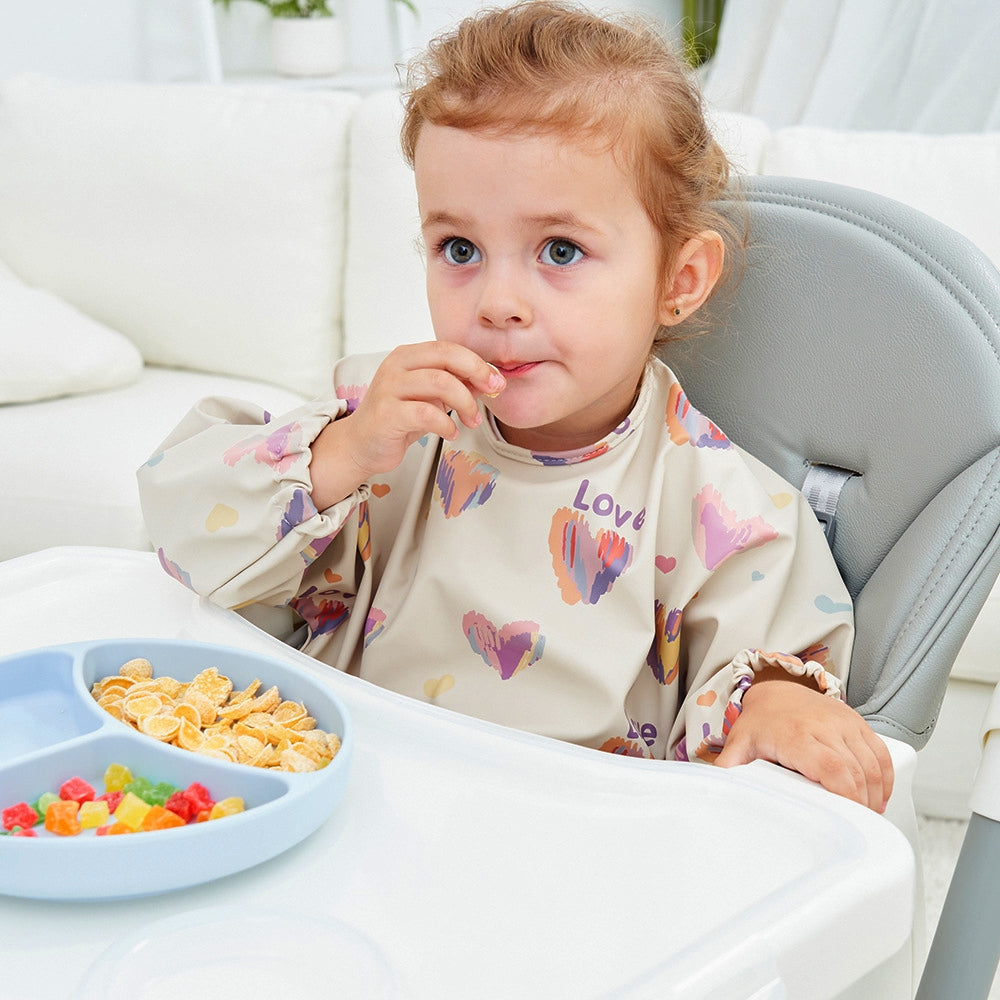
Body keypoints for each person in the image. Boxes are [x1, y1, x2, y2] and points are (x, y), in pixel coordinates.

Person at [138, 0, 893, 811]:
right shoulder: (391, 424)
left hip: (565, 848)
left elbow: (759, 686)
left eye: (560, 251)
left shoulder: (723, 511)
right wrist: (345, 454)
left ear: (677, 281)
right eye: (458, 249)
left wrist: (776, 701)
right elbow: (182, 528)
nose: (498, 301)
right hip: (347, 800)